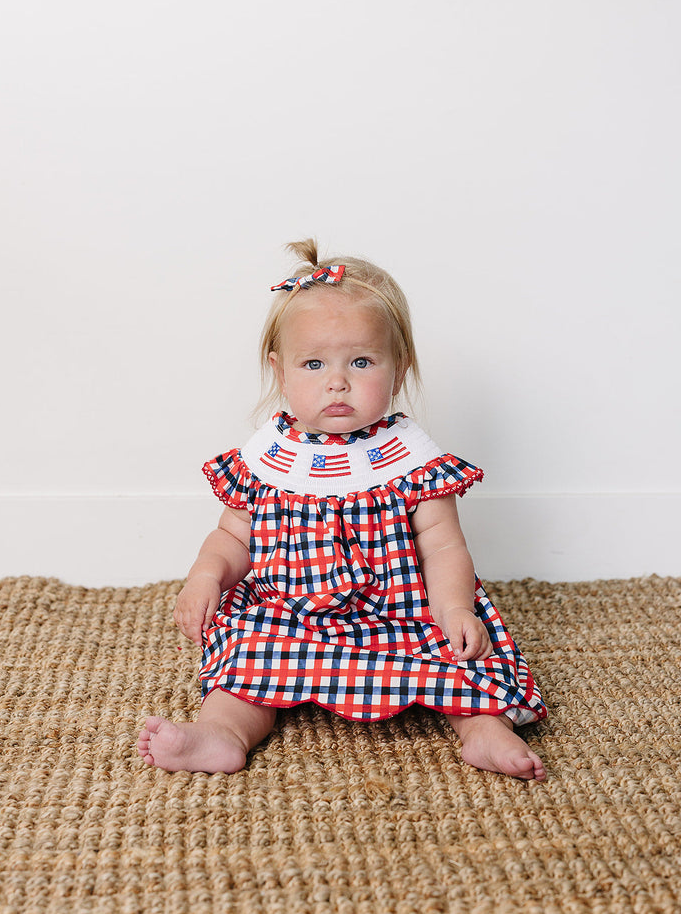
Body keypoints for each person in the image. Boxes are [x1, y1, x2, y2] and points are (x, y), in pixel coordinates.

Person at [138, 239, 547, 780]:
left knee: (464, 657)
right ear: (279, 372)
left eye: (360, 361)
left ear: (398, 370)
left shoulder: (410, 461)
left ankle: (483, 731)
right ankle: (223, 733)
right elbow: (232, 537)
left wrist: (452, 609)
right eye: (313, 363)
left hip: (399, 613)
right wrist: (205, 577)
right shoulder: (270, 458)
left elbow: (444, 545)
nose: (337, 381)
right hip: (289, 613)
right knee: (245, 658)